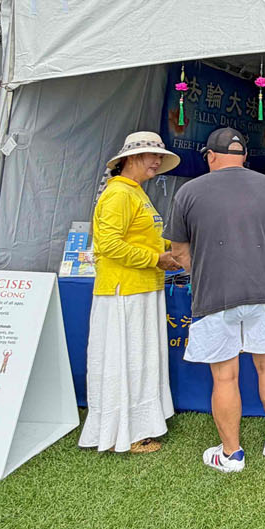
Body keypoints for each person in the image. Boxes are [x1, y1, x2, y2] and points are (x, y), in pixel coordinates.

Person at [167, 127, 265, 473]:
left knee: (224, 376)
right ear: (244, 156)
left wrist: (202, 269)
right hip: (261, 289)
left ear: (210, 156)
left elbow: (178, 251)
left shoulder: (188, 192)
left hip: (213, 293)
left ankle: (231, 454)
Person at [79, 131, 178, 456]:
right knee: (126, 361)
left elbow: (145, 238)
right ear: (131, 158)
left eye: (160, 156)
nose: (157, 162)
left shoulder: (135, 192)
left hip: (143, 286)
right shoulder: (119, 193)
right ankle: (123, 432)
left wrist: (174, 248)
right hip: (124, 290)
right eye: (153, 155)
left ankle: (138, 425)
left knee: (140, 360)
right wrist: (156, 258)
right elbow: (108, 245)